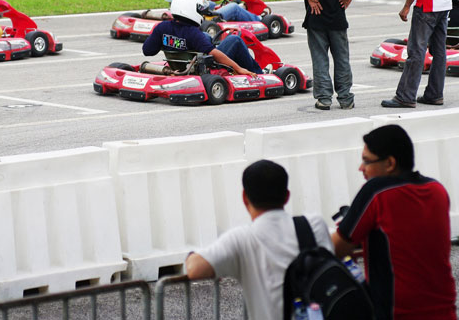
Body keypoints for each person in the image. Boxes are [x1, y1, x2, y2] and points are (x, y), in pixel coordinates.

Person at [332, 124, 456, 320]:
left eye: (367, 161)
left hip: (397, 313)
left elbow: (336, 248)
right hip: (444, 311)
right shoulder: (437, 190)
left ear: (390, 163)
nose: (361, 168)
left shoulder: (376, 192)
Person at [185, 160, 333, 320]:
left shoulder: (241, 238)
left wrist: (191, 256)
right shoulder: (314, 225)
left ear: (244, 197)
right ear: (287, 196)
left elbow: (195, 269)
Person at [142, 0, 262, 76]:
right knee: (235, 40)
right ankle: (259, 73)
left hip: (179, 66)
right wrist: (238, 68)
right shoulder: (192, 33)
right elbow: (214, 54)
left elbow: (147, 50)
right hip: (205, 68)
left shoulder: (161, 28)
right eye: (199, 10)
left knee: (206, 37)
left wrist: (168, 42)